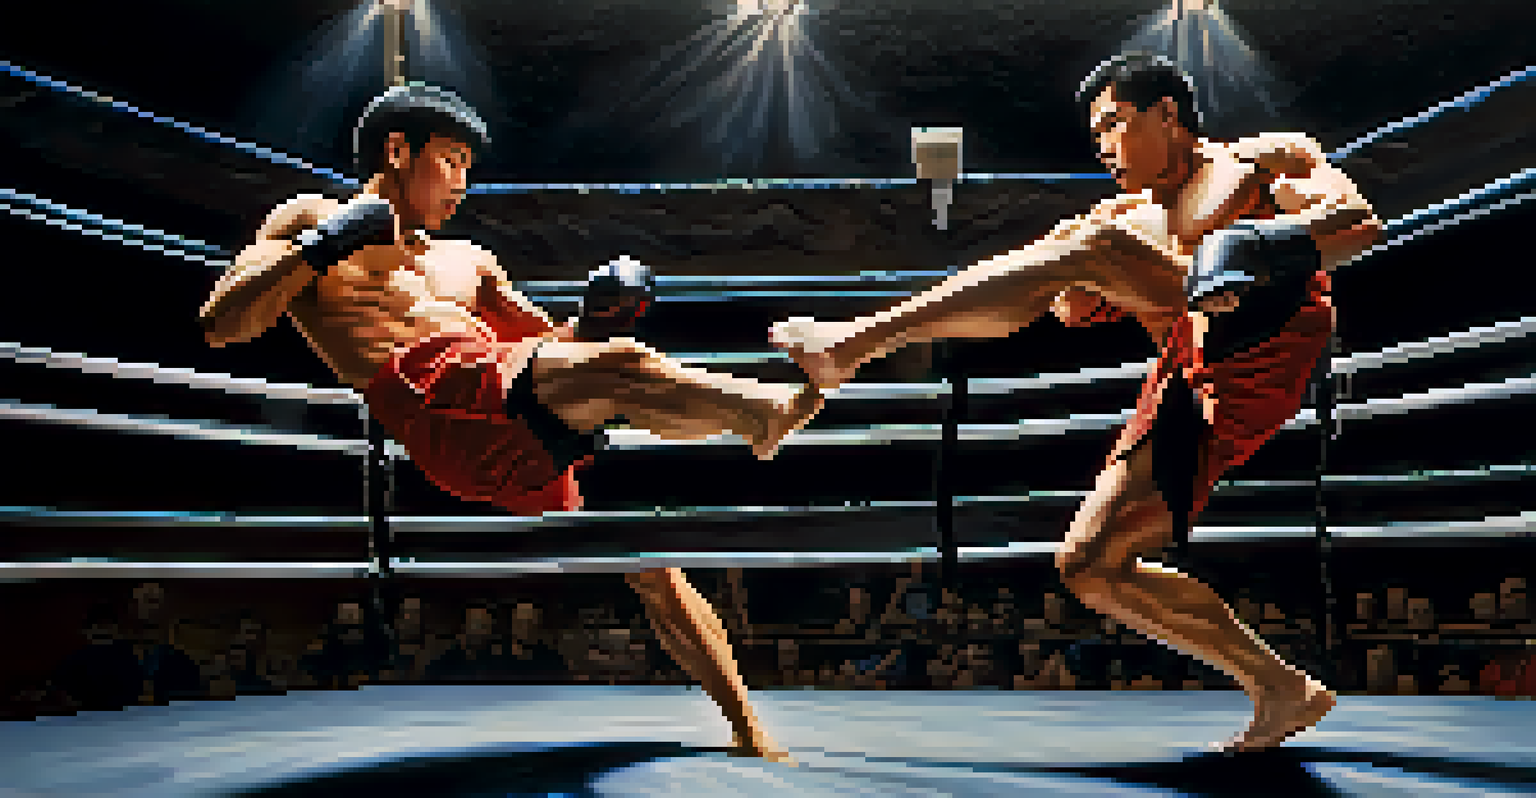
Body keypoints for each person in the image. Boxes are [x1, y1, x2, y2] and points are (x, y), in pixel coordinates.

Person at [770, 53, 1383, 751]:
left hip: (1262, 338)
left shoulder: (1263, 161)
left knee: (1091, 242)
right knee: (1090, 564)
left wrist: (1251, 246)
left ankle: (853, 344)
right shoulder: (1124, 215)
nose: (1104, 146)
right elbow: (1057, 304)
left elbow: (1358, 222)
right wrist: (1081, 277)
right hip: (1187, 379)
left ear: (1167, 115)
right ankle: (1282, 689)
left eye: (1116, 126)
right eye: (1096, 135)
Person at [197, 83, 818, 761]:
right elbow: (224, 324)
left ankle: (747, 730)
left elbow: (555, 344)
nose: (463, 181)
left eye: (469, 165)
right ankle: (764, 416)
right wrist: (325, 244)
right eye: (452, 159)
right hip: (434, 401)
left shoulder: (470, 261)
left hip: (510, 409)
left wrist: (598, 313)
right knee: (621, 366)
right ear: (398, 150)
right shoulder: (312, 217)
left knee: (653, 561)